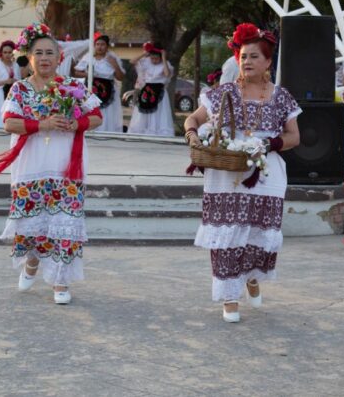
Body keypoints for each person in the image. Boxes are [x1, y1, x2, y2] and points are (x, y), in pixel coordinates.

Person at [183, 23, 301, 323]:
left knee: (258, 232)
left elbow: (294, 137)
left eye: (253, 56)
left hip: (266, 171)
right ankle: (229, 297)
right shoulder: (222, 93)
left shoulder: (281, 96)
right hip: (226, 172)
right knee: (226, 234)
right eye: (243, 56)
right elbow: (192, 120)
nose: (246, 61)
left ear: (268, 62)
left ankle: (250, 275)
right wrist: (193, 137)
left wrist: (269, 143)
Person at [0, 23, 102, 305]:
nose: (44, 58)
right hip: (31, 167)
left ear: (59, 56)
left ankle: (60, 282)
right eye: (38, 52)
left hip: (67, 168)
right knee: (33, 225)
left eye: (50, 52)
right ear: (29, 57)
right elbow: (9, 124)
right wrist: (44, 124)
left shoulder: (74, 87)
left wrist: (76, 122)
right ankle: (32, 262)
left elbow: (97, 116)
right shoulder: (20, 89)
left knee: (65, 223)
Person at [74, 33, 125, 133]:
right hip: (91, 87)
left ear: (107, 46)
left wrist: (115, 65)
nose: (100, 47)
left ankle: (106, 132)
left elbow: (120, 77)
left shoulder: (112, 58)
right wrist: (88, 74)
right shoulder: (88, 57)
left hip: (108, 90)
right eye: (97, 44)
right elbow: (76, 72)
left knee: (107, 112)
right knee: (91, 108)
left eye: (102, 44)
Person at [128, 42, 175, 136]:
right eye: (152, 58)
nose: (154, 60)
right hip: (147, 89)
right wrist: (145, 53)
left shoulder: (165, 64)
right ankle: (143, 129)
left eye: (156, 58)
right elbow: (132, 61)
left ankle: (156, 131)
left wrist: (163, 57)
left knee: (158, 112)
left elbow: (167, 74)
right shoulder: (146, 61)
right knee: (143, 110)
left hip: (159, 90)